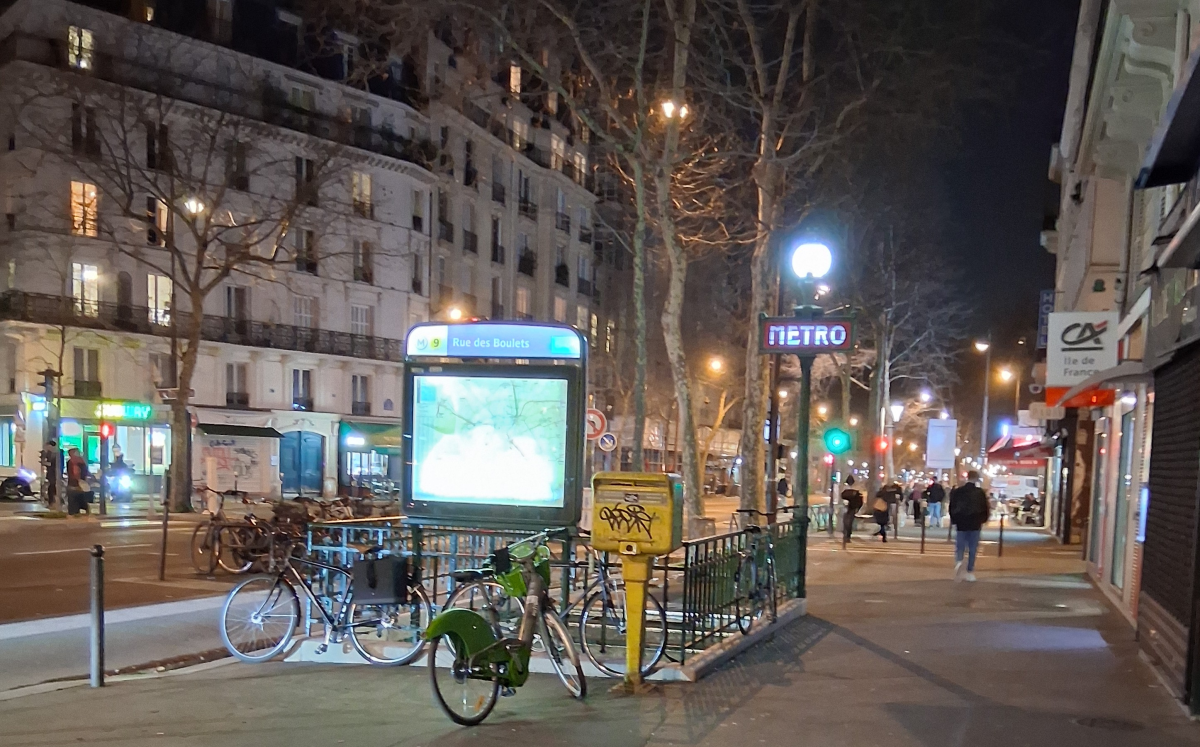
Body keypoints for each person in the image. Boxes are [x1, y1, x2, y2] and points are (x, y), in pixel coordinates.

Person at [949, 470, 990, 581]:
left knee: (960, 546)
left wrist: (954, 520)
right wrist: (983, 519)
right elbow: (985, 507)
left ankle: (959, 561)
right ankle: (969, 570)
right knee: (973, 548)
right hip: (975, 523)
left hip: (961, 523)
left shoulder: (958, 492)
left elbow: (952, 506)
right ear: (976, 479)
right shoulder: (979, 493)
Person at [65, 447, 91, 516]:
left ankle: (74, 515)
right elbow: (85, 473)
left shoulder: (71, 462)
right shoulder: (81, 461)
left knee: (73, 505)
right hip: (80, 485)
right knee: (82, 501)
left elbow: (74, 473)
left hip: (73, 485)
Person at [840, 476, 864, 542]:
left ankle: (846, 535)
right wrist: (858, 508)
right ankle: (847, 535)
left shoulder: (845, 489)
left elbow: (842, 496)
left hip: (848, 507)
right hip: (852, 508)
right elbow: (860, 500)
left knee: (846, 522)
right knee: (849, 522)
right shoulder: (855, 490)